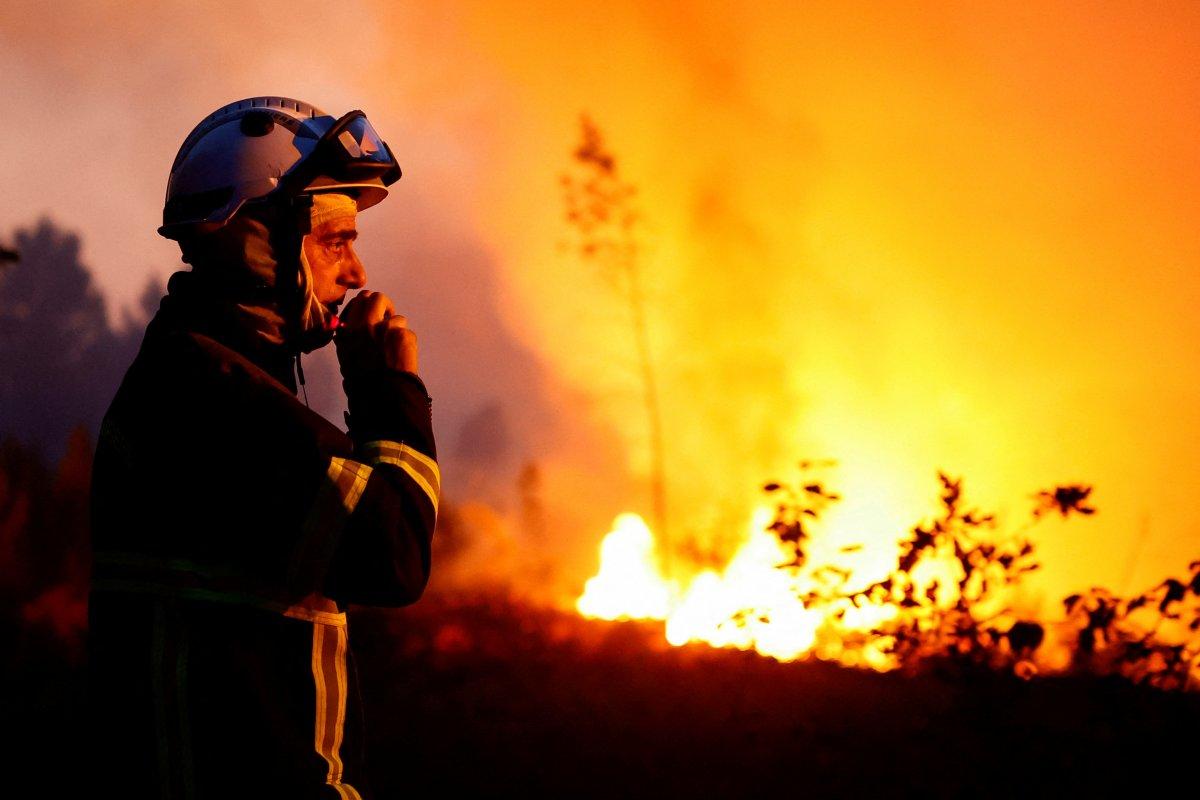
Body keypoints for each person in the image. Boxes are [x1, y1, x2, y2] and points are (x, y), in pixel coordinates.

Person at [87, 96, 439, 799]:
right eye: (334, 241)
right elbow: (393, 554)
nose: (356, 272)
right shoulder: (211, 400)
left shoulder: (212, 377)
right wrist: (388, 390)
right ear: (253, 240)